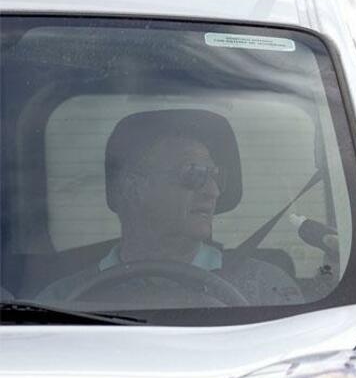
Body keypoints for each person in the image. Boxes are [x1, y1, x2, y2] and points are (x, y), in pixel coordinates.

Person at [39, 109, 302, 306]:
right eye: (194, 173)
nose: (213, 191)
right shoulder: (62, 301)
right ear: (133, 188)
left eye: (215, 176)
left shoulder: (265, 288)